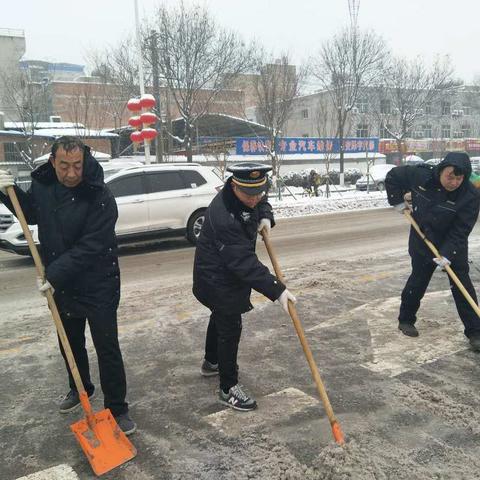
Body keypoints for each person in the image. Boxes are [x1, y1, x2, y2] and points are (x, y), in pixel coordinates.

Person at [0, 136, 136, 434]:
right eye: (64, 166)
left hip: (98, 282)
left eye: (77, 165)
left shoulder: (100, 194)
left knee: (107, 347)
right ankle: (80, 389)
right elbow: (32, 213)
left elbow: (93, 245)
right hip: (63, 284)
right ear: (53, 162)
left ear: (84, 162)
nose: (72, 173)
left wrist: (53, 273)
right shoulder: (44, 186)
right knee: (69, 343)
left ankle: (117, 407)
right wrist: (6, 193)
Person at [193, 162, 297, 411]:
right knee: (229, 326)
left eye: (258, 192)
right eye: (249, 194)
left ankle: (211, 362)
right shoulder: (223, 216)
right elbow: (245, 264)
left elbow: (261, 199)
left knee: (219, 316)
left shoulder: (249, 192)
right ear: (234, 185)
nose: (254, 198)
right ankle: (228, 388)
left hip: (223, 272)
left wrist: (265, 215)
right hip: (217, 277)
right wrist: (277, 289)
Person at [385, 151, 480, 351]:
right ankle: (406, 319)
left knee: (461, 284)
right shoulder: (421, 175)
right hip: (423, 238)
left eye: (459, 178)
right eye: (450, 177)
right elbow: (394, 176)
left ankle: (475, 331)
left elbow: (461, 229)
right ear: (441, 171)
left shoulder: (470, 195)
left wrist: (447, 253)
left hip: (453, 243)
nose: (454, 182)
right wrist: (397, 201)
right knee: (418, 279)